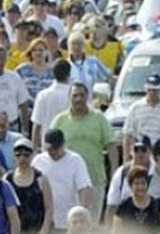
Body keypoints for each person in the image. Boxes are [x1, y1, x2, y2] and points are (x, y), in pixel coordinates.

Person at [49, 84, 114, 221]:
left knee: (91, 223)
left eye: (81, 95)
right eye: (75, 95)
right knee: (70, 224)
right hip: (67, 184)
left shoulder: (99, 118)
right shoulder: (59, 120)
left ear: (87, 97)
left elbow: (111, 146)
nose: (78, 99)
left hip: (94, 180)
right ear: (69, 98)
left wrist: (113, 173)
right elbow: (49, 148)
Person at [31, 130, 91, 233]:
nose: (53, 152)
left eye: (55, 149)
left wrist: (81, 215)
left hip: (68, 222)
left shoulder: (75, 160)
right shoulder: (38, 161)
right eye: (50, 149)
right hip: (44, 222)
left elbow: (84, 189)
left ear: (63, 145)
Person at [122, 75, 160, 160]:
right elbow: (129, 135)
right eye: (149, 90)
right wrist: (127, 160)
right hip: (142, 153)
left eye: (155, 90)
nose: (152, 93)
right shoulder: (135, 107)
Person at [4, 137, 50, 234]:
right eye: (18, 154)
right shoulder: (7, 179)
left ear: (32, 155)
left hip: (37, 230)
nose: (22, 158)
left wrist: (44, 230)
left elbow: (49, 207)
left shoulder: (41, 178)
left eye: (26, 154)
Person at [111, 166, 160, 234]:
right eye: (136, 184)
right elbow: (116, 231)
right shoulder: (123, 207)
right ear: (130, 186)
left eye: (143, 183)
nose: (140, 187)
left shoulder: (157, 205)